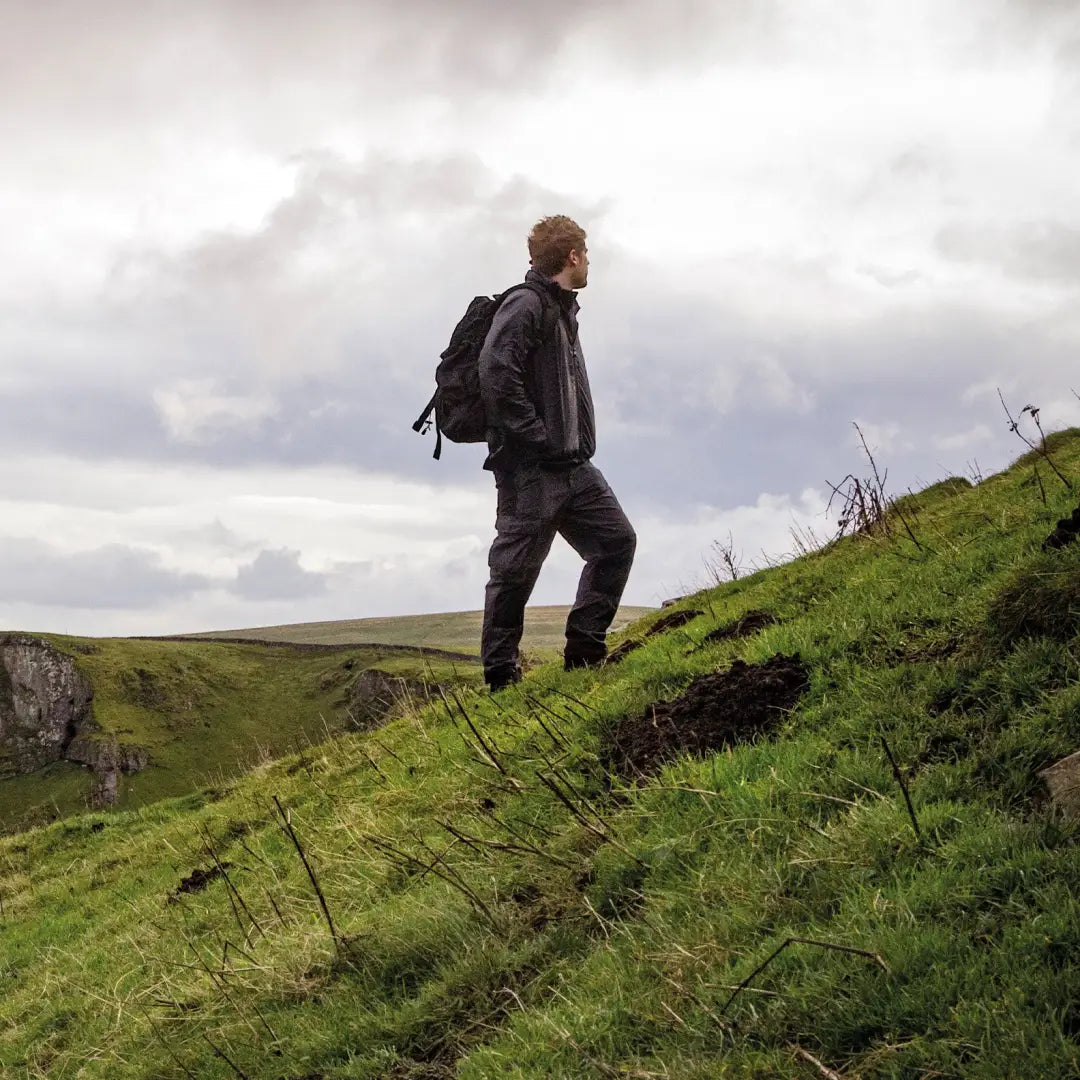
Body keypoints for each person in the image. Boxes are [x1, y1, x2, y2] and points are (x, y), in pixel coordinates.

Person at [477, 215, 636, 692]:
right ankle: (501, 678)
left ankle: (585, 653)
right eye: (585, 254)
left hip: (575, 466)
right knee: (514, 574)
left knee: (615, 543)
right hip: (531, 470)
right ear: (572, 257)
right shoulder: (526, 305)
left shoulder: (562, 308)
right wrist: (536, 435)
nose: (588, 262)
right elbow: (494, 371)